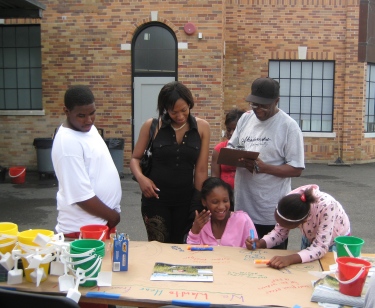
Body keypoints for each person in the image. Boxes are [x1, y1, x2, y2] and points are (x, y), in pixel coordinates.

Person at [228, 77, 305, 249]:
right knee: (242, 259)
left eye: (264, 105)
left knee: (269, 262)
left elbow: (296, 168)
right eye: (254, 104)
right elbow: (232, 146)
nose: (258, 110)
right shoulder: (246, 119)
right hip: (244, 207)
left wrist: (264, 168)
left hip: (271, 212)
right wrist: (239, 158)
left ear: (276, 101)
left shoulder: (289, 127)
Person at [130, 81, 210, 244]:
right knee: (158, 247)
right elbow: (135, 158)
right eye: (174, 112)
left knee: (184, 246)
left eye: (184, 110)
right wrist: (141, 178)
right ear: (165, 108)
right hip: (155, 200)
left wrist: (199, 201)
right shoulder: (151, 126)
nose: (180, 116)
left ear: (190, 105)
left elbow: (201, 170)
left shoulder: (202, 128)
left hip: (186, 202)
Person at [52, 85, 121, 239]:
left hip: (99, 224)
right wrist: (113, 217)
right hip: (82, 230)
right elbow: (80, 196)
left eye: (92, 113)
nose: (89, 120)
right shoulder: (67, 144)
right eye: (81, 115)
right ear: (66, 111)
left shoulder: (86, 128)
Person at [245, 184, 351, 269]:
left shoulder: (327, 206)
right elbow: (279, 233)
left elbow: (320, 247)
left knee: (329, 274)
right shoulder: (290, 201)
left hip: (336, 241)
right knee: (307, 268)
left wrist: (289, 259)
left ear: (302, 222)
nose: (281, 226)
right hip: (311, 235)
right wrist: (260, 243)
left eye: (285, 225)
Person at [187, 177, 257, 247]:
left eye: (225, 201)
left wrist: (252, 244)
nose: (221, 207)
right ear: (204, 202)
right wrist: (195, 231)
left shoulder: (243, 220)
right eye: (215, 202)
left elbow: (253, 248)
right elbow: (191, 252)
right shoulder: (201, 223)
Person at [211, 108, 245, 199]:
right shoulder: (219, 149)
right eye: (228, 129)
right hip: (225, 197)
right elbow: (215, 178)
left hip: (246, 195)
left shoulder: (251, 148)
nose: (231, 133)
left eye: (235, 130)